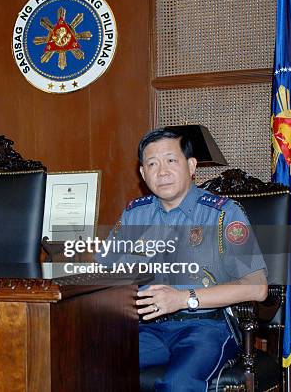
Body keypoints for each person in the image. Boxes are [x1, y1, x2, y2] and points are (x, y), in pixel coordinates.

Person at [100, 128, 268, 392]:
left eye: (171, 161)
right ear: (143, 174)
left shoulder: (223, 214)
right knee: (93, 366)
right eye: (152, 164)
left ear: (191, 166)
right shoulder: (135, 216)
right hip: (147, 329)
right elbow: (105, 274)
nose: (162, 171)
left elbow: (257, 288)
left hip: (206, 327)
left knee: (177, 384)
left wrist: (183, 298)